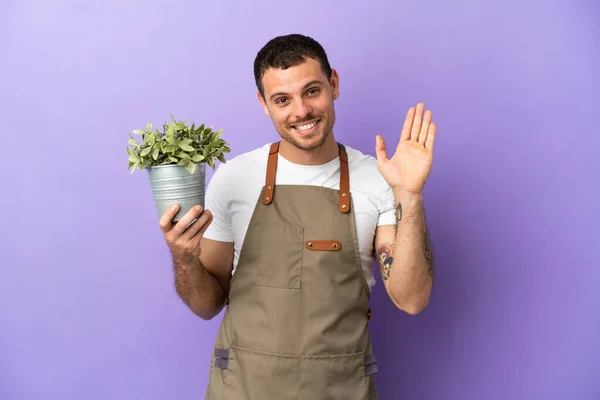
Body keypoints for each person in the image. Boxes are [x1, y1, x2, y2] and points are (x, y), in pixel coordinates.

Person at [158, 33, 436, 399]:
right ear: (263, 103)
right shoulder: (235, 178)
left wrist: (410, 195)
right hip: (243, 388)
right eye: (282, 99)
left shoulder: (378, 178)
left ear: (333, 84)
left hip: (340, 389)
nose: (301, 111)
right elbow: (207, 305)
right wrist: (183, 257)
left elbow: (411, 299)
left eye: (312, 91)